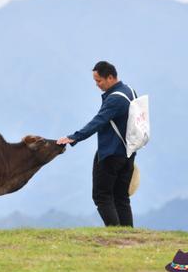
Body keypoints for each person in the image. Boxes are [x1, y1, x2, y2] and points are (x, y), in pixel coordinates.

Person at [57, 60, 136, 227]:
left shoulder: (115, 99)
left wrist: (75, 137)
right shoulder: (130, 92)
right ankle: (129, 235)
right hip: (128, 153)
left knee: (102, 196)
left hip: (110, 154)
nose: (97, 85)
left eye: (98, 81)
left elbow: (99, 121)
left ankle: (116, 235)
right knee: (121, 196)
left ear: (110, 78)